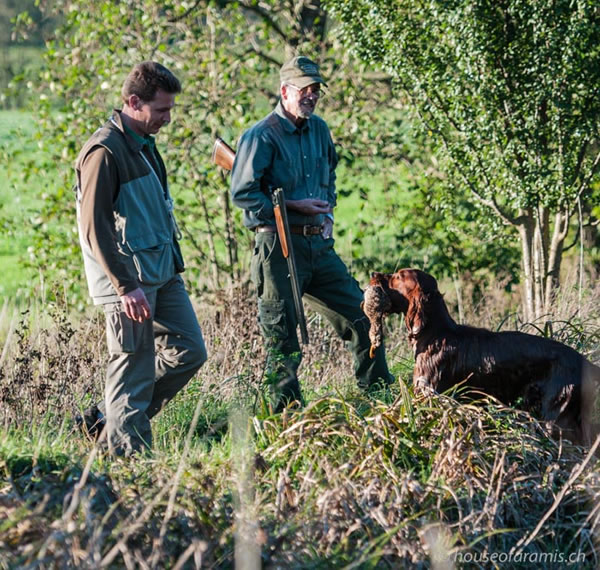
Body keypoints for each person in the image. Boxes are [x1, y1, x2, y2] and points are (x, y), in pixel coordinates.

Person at [230, 55, 393, 412]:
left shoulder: (319, 129)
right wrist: (292, 206)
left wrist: (328, 210)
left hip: (318, 244)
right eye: (304, 89)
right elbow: (242, 193)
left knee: (362, 317)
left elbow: (329, 175)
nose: (311, 95)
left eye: (316, 89)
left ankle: (382, 400)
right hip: (277, 246)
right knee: (283, 338)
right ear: (284, 91)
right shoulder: (261, 136)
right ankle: (284, 419)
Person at [75, 61, 207, 455]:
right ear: (134, 102)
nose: (168, 118)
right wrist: (125, 287)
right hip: (128, 281)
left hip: (161, 272)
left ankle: (106, 418)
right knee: (131, 365)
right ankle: (128, 459)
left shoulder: (144, 145)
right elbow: (94, 229)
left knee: (189, 351)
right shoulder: (104, 152)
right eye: (161, 110)